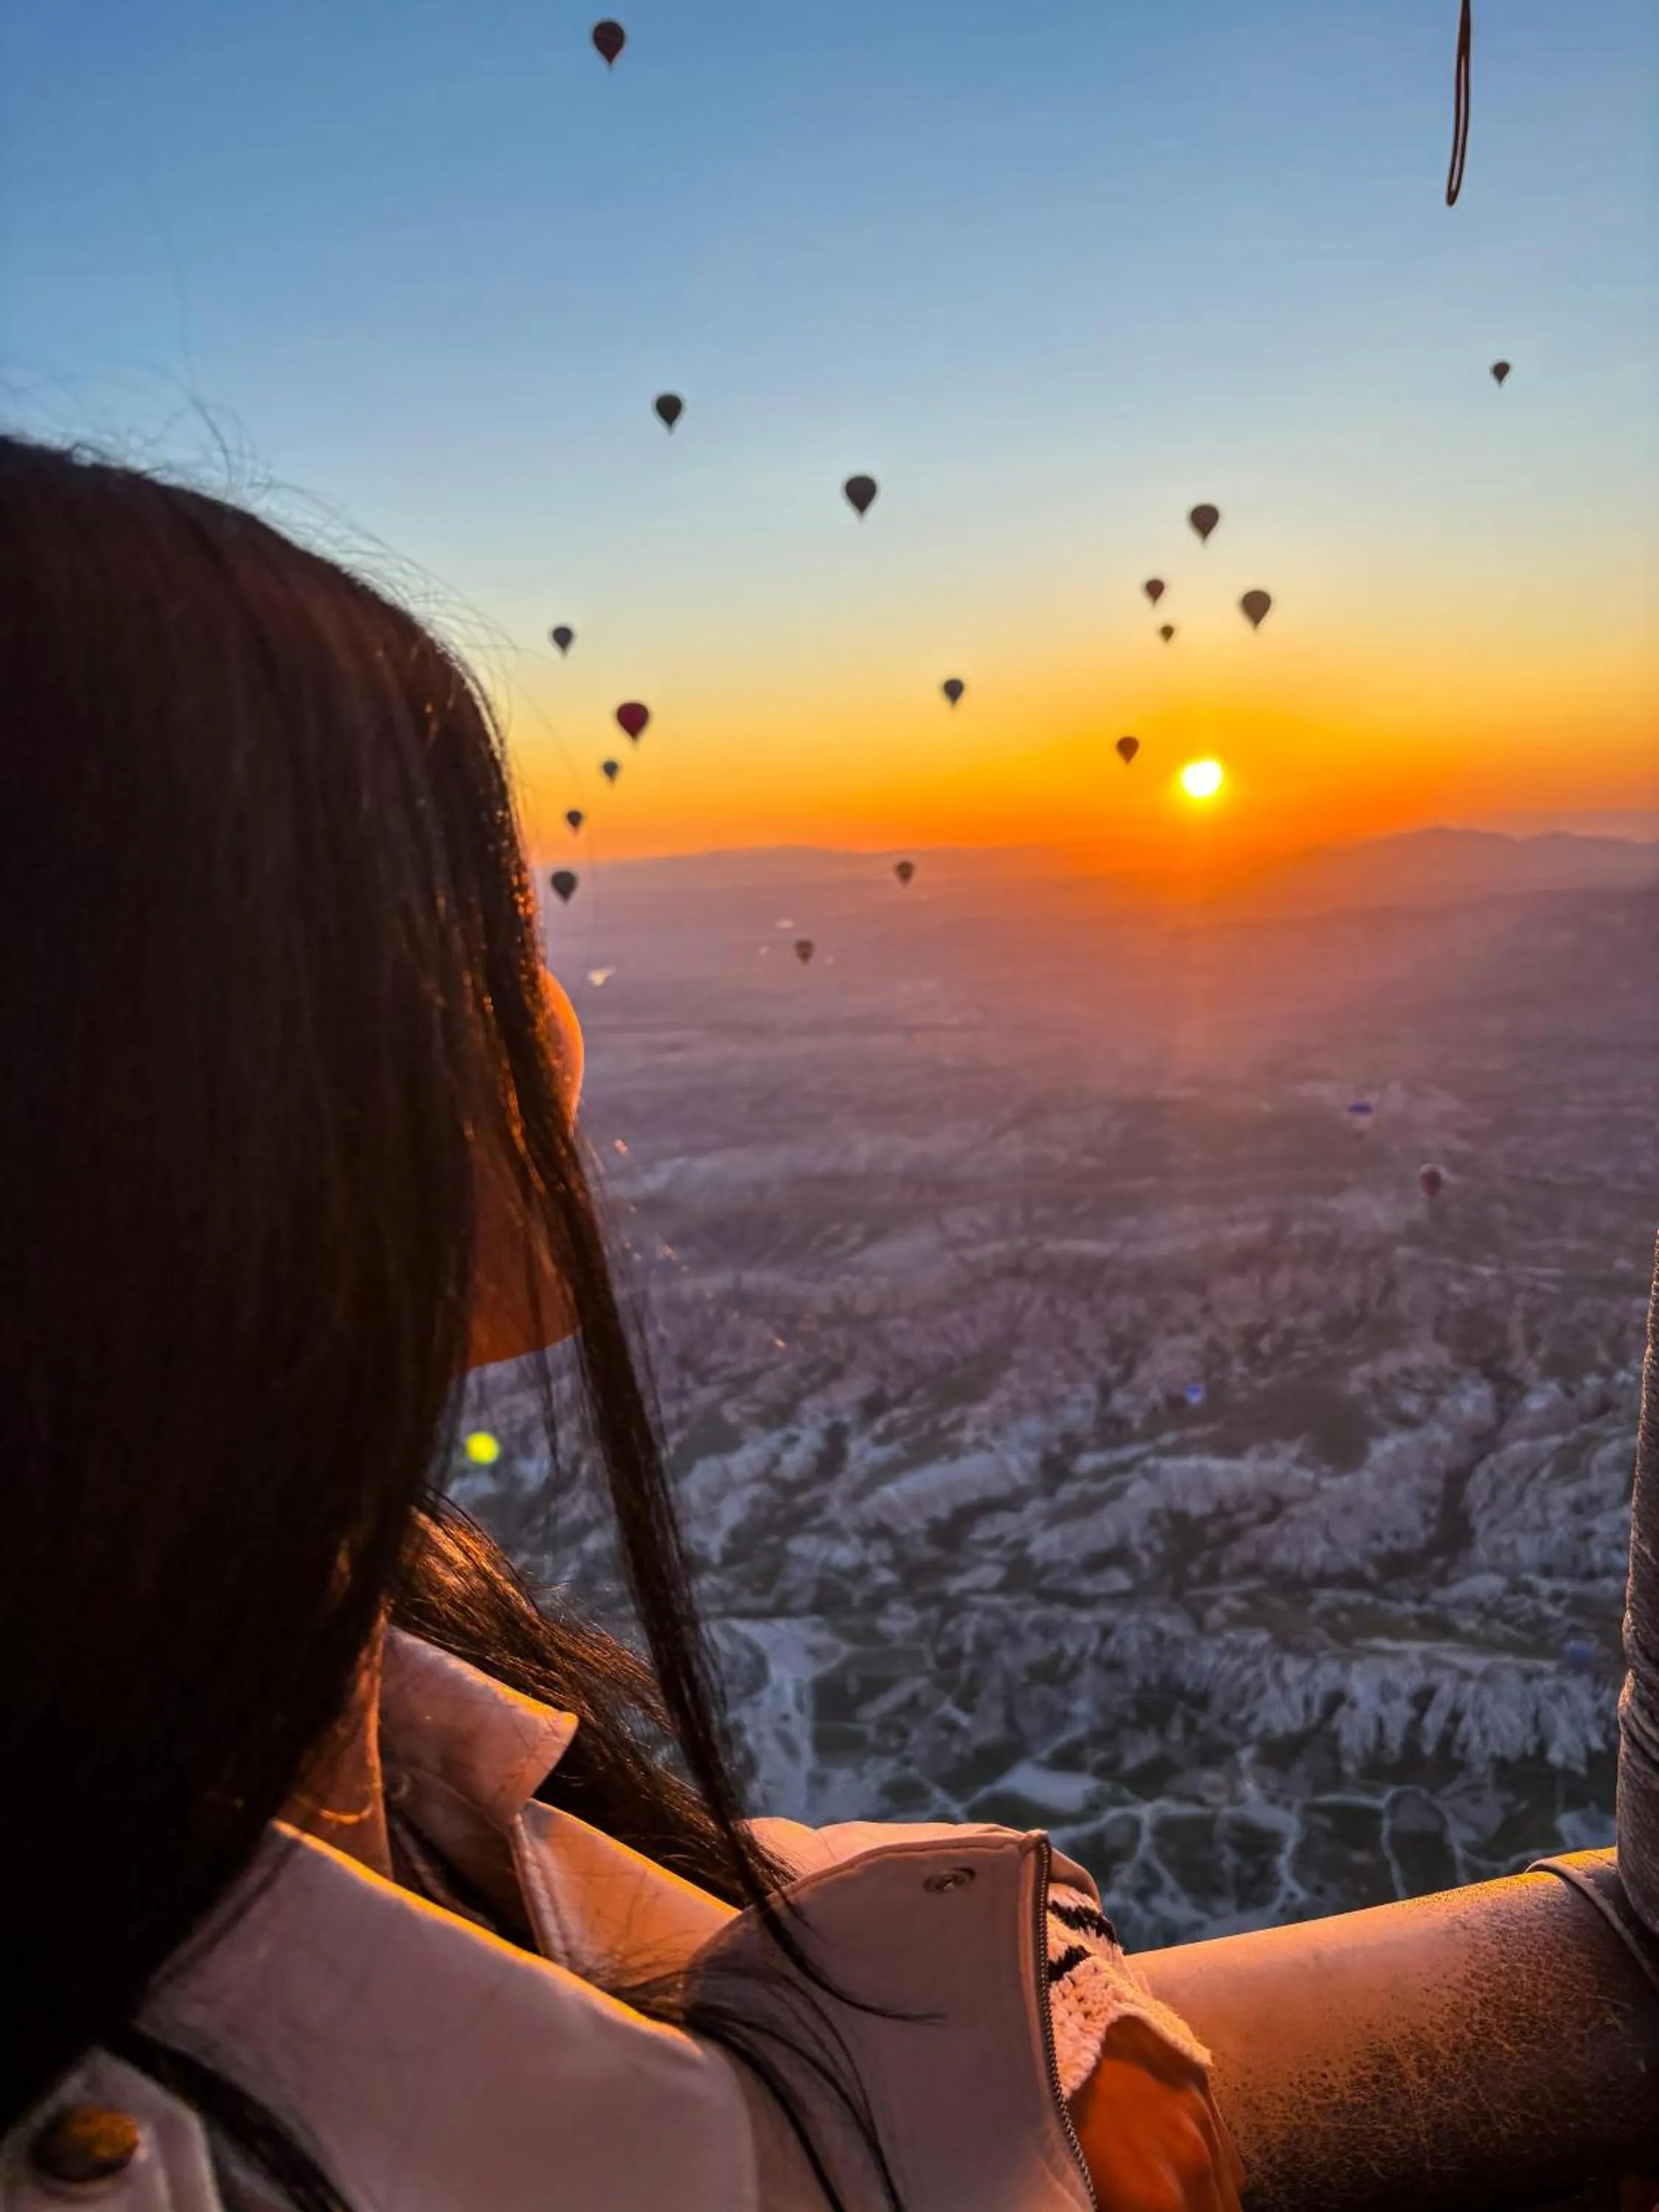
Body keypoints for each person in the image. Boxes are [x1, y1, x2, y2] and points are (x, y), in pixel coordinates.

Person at [0, 435, 1245, 2212]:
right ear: (192, 1089)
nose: (559, 1035)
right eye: (492, 941)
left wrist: (1039, 2000)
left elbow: (654, 1917)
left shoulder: (364, 1687)